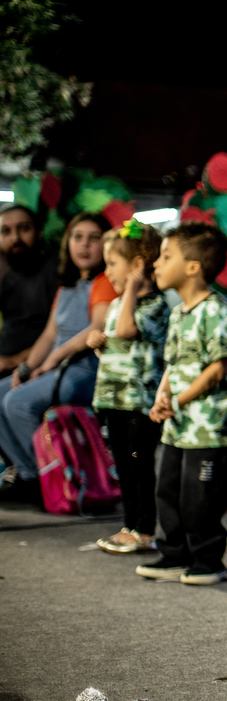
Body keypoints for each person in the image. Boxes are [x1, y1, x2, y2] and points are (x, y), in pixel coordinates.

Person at [136, 222, 227, 585]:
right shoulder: (178, 313)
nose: (156, 264)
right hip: (178, 425)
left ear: (193, 267)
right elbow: (173, 364)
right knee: (167, 490)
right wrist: (162, 397)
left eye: (166, 256)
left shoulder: (215, 310)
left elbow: (217, 368)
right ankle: (174, 554)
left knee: (200, 497)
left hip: (208, 427)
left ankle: (207, 558)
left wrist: (178, 400)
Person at [0, 212, 115, 504]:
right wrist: (26, 367)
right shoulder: (66, 286)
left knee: (17, 403)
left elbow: (97, 327)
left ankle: (50, 479)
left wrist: (52, 359)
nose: (84, 245)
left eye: (93, 238)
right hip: (56, 369)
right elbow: (50, 335)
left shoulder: (105, 281)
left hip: (83, 371)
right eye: (78, 237)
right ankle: (28, 473)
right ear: (68, 243)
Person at [88, 220, 170, 553]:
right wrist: (98, 342)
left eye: (112, 264)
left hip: (139, 403)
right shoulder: (120, 304)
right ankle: (129, 526)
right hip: (114, 399)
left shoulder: (155, 306)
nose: (107, 272)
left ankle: (145, 530)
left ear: (137, 265)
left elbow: (126, 331)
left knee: (139, 466)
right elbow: (116, 343)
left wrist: (133, 291)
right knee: (123, 465)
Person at [0, 204, 58, 378]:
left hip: (35, 369)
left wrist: (13, 361)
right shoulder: (8, 276)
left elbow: (60, 334)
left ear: (39, 232)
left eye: (24, 229)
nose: (15, 238)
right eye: (6, 231)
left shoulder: (57, 272)